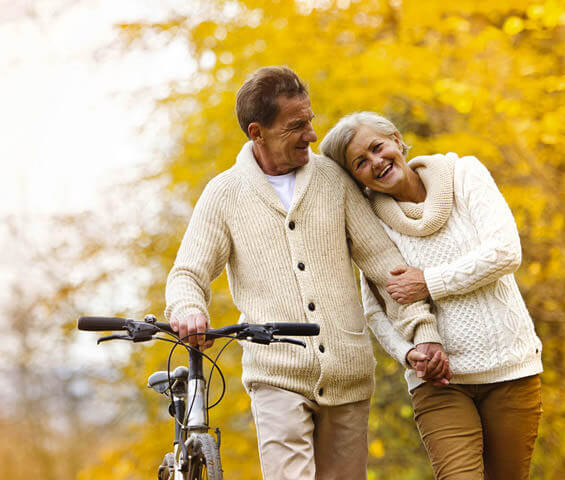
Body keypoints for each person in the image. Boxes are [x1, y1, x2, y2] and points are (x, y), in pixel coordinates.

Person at [164, 67, 449, 480]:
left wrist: (423, 332)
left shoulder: (334, 180)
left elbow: (386, 267)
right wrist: (189, 309)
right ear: (257, 133)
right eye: (296, 126)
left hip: (348, 375)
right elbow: (187, 273)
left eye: (310, 120)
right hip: (276, 375)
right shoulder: (224, 194)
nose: (312, 135)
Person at [320, 112, 543, 480]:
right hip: (440, 385)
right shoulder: (371, 223)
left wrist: (430, 282)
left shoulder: (463, 174)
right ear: (355, 177)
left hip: (511, 369)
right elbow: (376, 309)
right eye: (360, 162)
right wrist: (408, 354)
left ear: (395, 138)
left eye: (377, 147)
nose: (376, 162)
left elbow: (505, 253)